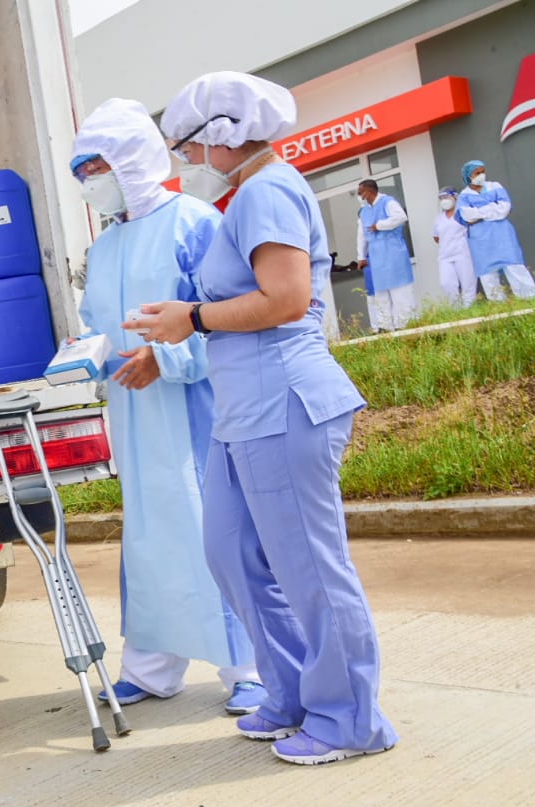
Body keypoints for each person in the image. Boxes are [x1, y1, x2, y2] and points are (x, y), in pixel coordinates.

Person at [124, 71, 398, 766]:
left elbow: (284, 297)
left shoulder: (270, 190)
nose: (185, 158)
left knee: (308, 564)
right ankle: (291, 691)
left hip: (283, 398)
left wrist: (191, 318)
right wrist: (182, 322)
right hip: (241, 408)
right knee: (232, 553)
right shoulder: (247, 198)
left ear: (222, 135)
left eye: (189, 144)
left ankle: (349, 717)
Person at [67, 98, 264, 715]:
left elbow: (228, 321)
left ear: (129, 159)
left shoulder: (195, 223)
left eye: (94, 167)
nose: (88, 183)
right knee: (150, 537)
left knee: (216, 530)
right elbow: (97, 326)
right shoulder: (103, 248)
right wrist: (82, 360)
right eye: (80, 173)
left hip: (195, 410)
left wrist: (166, 361)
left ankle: (250, 668)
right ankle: (152, 668)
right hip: (133, 417)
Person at [455, 160, 535, 301]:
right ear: (468, 175)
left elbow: (505, 208)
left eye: (483, 172)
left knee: (514, 265)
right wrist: (492, 207)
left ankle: (529, 300)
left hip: (503, 234)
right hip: (480, 240)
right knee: (488, 273)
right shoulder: (464, 195)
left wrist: (479, 213)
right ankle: (499, 306)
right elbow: (466, 215)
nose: (481, 175)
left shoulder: (495, 186)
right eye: (477, 173)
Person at [355, 179, 417, 331]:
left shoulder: (388, 202)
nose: (359, 198)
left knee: (400, 291)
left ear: (368, 192)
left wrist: (380, 225)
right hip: (376, 256)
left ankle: (406, 325)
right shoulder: (364, 211)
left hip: (393, 251)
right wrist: (361, 256)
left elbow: (401, 217)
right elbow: (362, 235)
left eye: (360, 194)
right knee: (381, 294)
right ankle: (386, 328)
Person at [432, 187, 477, 309]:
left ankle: (470, 309)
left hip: (463, 253)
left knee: (468, 282)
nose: (444, 200)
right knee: (446, 283)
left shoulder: (462, 213)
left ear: (455, 197)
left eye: (446, 197)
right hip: (445, 256)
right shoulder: (439, 219)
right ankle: (456, 310)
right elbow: (436, 237)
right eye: (441, 198)